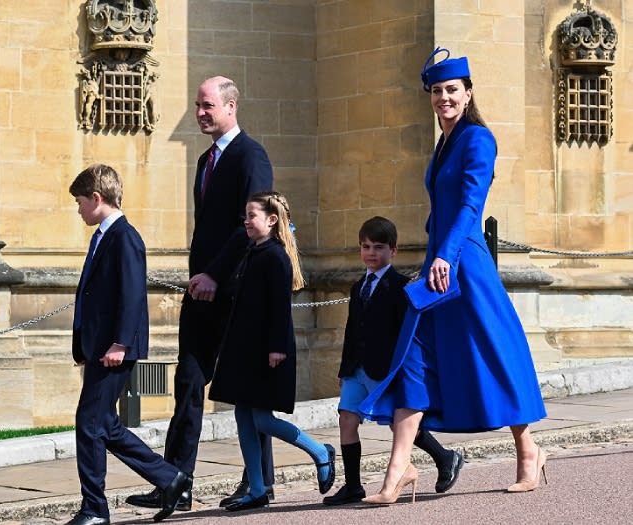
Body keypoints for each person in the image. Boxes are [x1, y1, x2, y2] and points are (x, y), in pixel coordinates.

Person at [361, 48, 548, 505]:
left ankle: (528, 450)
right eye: (437, 91)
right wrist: (431, 257)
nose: (443, 97)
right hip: (438, 264)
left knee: (494, 353)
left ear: (467, 94)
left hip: (466, 263)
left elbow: (469, 204)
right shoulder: (443, 142)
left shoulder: (478, 139)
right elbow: (439, 208)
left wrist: (444, 255)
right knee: (412, 360)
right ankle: (398, 470)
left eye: (452, 90)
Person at [126, 76, 275, 512]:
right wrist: (200, 278)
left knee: (246, 390)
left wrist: (215, 274)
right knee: (187, 383)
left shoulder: (252, 155)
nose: (200, 113)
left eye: (207, 105)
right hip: (202, 293)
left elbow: (252, 225)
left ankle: (259, 483)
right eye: (197, 106)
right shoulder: (204, 161)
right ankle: (176, 482)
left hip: (236, 292)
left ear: (231, 106)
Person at [67, 164, 190, 525]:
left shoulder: (125, 236)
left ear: (96, 197)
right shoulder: (103, 235)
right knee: (104, 424)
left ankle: (95, 509)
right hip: (99, 346)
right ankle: (171, 478)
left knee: (89, 424)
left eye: (79, 202)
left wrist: (120, 342)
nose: (78, 210)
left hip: (113, 349)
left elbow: (133, 294)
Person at [322, 216, 463, 506]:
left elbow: (405, 333)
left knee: (398, 426)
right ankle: (352, 485)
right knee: (347, 419)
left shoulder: (401, 287)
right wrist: (343, 368)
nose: (371, 253)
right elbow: (351, 329)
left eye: (379, 247)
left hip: (384, 367)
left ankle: (445, 457)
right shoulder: (357, 286)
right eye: (365, 247)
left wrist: (399, 370)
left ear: (393, 251)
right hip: (355, 368)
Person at [208, 191, 336, 511]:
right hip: (244, 348)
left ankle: (320, 452)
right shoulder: (254, 251)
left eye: (252, 216)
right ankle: (257, 487)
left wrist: (277, 348)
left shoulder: (275, 256)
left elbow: (279, 308)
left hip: (266, 350)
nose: (246, 221)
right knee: (242, 416)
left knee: (263, 420)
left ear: (271, 220)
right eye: (246, 216)